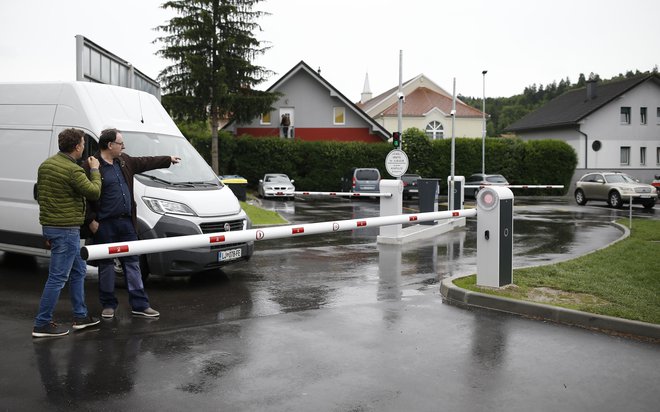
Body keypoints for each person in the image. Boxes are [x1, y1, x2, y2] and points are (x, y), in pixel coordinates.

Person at [84, 128, 180, 319]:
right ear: (110, 145)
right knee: (106, 266)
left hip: (127, 223)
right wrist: (91, 220)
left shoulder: (124, 161)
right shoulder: (91, 166)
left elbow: (145, 161)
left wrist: (168, 159)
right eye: (120, 143)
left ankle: (140, 304)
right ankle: (108, 305)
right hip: (104, 225)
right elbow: (83, 196)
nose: (124, 146)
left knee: (132, 264)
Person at [33, 128, 102, 338]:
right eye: (82, 143)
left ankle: (80, 316)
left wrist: (47, 231)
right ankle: (41, 323)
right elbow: (94, 192)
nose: (83, 147)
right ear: (77, 146)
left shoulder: (46, 165)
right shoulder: (73, 170)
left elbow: (43, 198)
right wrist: (95, 170)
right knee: (57, 278)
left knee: (79, 270)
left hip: (53, 227)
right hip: (66, 230)